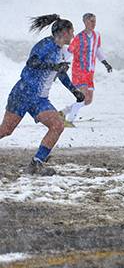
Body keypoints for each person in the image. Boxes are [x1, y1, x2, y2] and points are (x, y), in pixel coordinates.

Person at [0, 14, 85, 175]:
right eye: (72, 31)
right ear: (65, 31)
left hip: (39, 99)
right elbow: (32, 62)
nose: (73, 35)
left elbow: (60, 73)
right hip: (23, 93)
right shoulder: (46, 44)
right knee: (6, 130)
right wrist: (54, 66)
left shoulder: (61, 51)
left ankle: (36, 163)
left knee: (57, 125)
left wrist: (75, 91)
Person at [60, 12, 113, 126]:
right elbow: (69, 51)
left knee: (88, 101)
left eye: (94, 21)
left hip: (90, 72)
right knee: (83, 97)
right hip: (79, 70)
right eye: (91, 21)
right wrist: (61, 65)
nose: (94, 23)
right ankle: (68, 121)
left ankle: (63, 112)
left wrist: (105, 63)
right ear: (85, 22)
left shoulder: (97, 35)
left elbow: (97, 50)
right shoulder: (79, 38)